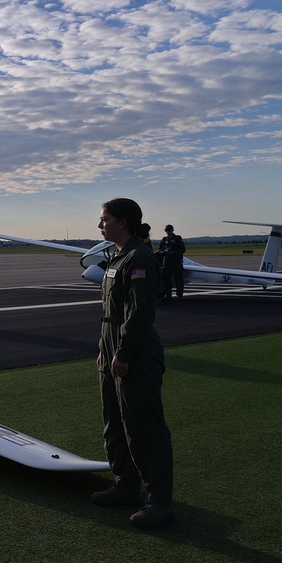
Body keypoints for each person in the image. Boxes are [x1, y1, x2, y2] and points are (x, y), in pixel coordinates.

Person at [91, 198, 175, 529]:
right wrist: (105, 350)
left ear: (123, 222)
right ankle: (126, 485)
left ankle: (160, 503)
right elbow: (111, 311)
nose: (100, 225)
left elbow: (139, 312)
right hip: (110, 343)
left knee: (143, 426)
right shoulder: (118, 255)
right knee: (114, 421)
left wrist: (123, 353)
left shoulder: (140, 256)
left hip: (134, 349)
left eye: (105, 219)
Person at [157, 224, 186, 300]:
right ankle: (168, 294)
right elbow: (160, 250)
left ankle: (179, 294)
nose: (167, 232)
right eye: (166, 231)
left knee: (178, 277)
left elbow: (182, 250)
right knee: (166, 278)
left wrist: (174, 252)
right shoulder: (164, 240)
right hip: (166, 261)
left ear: (172, 230)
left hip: (176, 260)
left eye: (169, 231)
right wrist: (163, 252)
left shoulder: (177, 239)